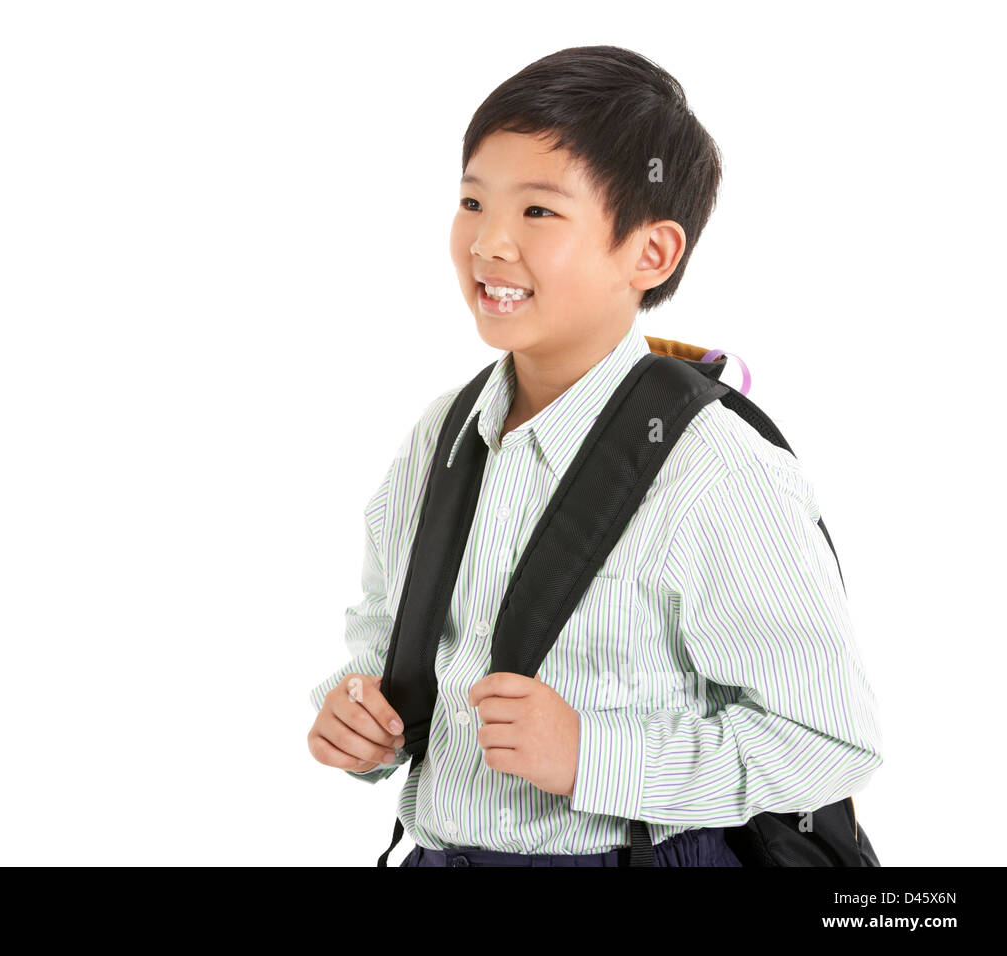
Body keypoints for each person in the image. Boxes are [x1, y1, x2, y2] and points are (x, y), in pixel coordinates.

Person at [305, 45, 882, 867]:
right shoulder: (446, 432)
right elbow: (387, 631)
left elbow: (831, 738)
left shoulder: (711, 466)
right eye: (473, 201)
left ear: (650, 253)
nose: (490, 243)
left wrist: (592, 757)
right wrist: (363, 716)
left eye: (539, 213)